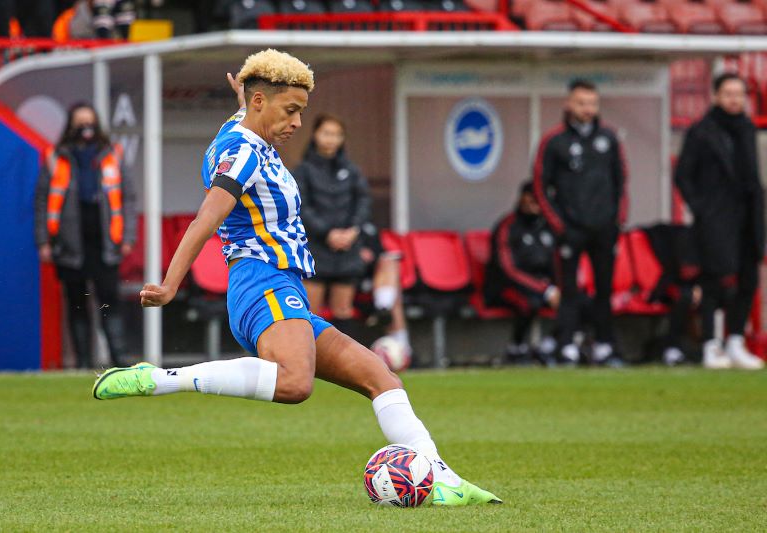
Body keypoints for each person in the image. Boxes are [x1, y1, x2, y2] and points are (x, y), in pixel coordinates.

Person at [91, 49, 500, 506]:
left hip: (284, 288)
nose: (298, 123)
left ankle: (440, 477)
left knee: (381, 378)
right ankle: (161, 378)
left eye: (302, 111)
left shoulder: (240, 132)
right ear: (261, 101)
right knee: (294, 384)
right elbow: (205, 219)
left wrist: (243, 102)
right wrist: (169, 284)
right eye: (291, 110)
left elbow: (242, 117)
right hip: (260, 279)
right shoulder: (243, 150)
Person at [532, 79, 628, 367]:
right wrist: (558, 224)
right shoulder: (555, 141)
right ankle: (566, 345)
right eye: (582, 103)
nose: (588, 109)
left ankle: (604, 345)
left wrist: (617, 221)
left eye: (592, 104)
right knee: (569, 291)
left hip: (603, 229)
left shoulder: (609, 139)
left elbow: (621, 182)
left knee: (603, 289)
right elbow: (540, 185)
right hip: (570, 230)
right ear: (568, 104)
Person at [35, 102, 136, 369]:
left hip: (106, 242)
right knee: (77, 304)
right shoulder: (56, 156)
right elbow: (42, 200)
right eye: (80, 123)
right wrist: (43, 240)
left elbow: (127, 198)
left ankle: (119, 360)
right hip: (69, 244)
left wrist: (128, 237)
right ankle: (82, 364)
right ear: (70, 126)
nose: (85, 129)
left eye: (89, 122)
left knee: (109, 301)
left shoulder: (111, 153)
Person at [674, 73, 765, 370]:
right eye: (728, 93)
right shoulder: (702, 132)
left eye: (739, 94)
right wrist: (703, 208)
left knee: (748, 279)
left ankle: (736, 341)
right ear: (715, 96)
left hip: (748, 216)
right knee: (714, 282)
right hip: (715, 218)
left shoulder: (748, 130)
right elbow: (683, 176)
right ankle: (710, 344)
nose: (734, 99)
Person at [294, 114, 372, 338]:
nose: (331, 139)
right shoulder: (303, 170)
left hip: (347, 250)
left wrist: (353, 231)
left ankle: (345, 366)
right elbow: (302, 207)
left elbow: (363, 201)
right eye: (326, 133)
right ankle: (307, 364)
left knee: (343, 311)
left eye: (337, 135)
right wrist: (327, 233)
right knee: (310, 312)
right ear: (315, 135)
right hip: (316, 249)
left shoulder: (352, 170)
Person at [485, 182, 559, 365]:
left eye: (539, 198)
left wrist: (557, 288)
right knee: (528, 302)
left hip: (541, 286)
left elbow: (557, 262)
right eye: (531, 197)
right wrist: (545, 290)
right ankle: (516, 348)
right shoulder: (507, 226)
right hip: (505, 286)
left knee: (577, 300)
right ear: (522, 198)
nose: (535, 202)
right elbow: (507, 269)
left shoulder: (547, 226)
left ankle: (553, 346)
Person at [644, 223, 702, 366]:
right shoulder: (673, 247)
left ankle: (711, 347)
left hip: (692, 288)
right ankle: (673, 347)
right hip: (661, 288)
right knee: (685, 297)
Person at [357, 221, 412, 355]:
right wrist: (354, 253)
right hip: (345, 279)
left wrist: (371, 256)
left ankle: (382, 308)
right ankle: (405, 350)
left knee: (390, 261)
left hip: (372, 283)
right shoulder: (327, 226)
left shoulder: (367, 228)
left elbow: (379, 252)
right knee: (394, 297)